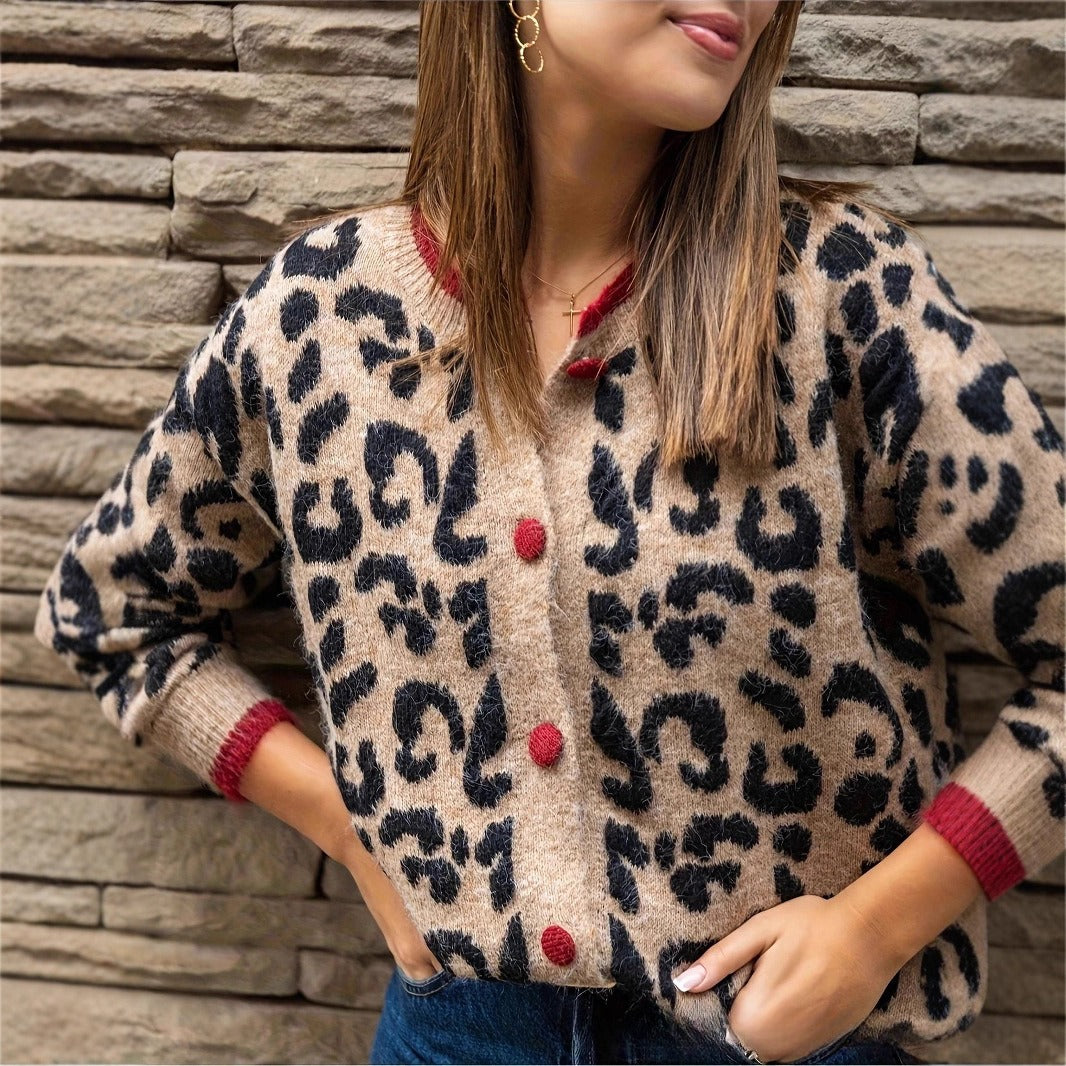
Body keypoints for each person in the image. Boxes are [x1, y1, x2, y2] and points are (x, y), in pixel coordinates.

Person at [33, 2, 1064, 1065]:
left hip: (781, 1040)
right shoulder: (317, 320)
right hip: (456, 1030)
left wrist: (878, 927)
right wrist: (354, 827)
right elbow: (113, 613)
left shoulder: (837, 296)